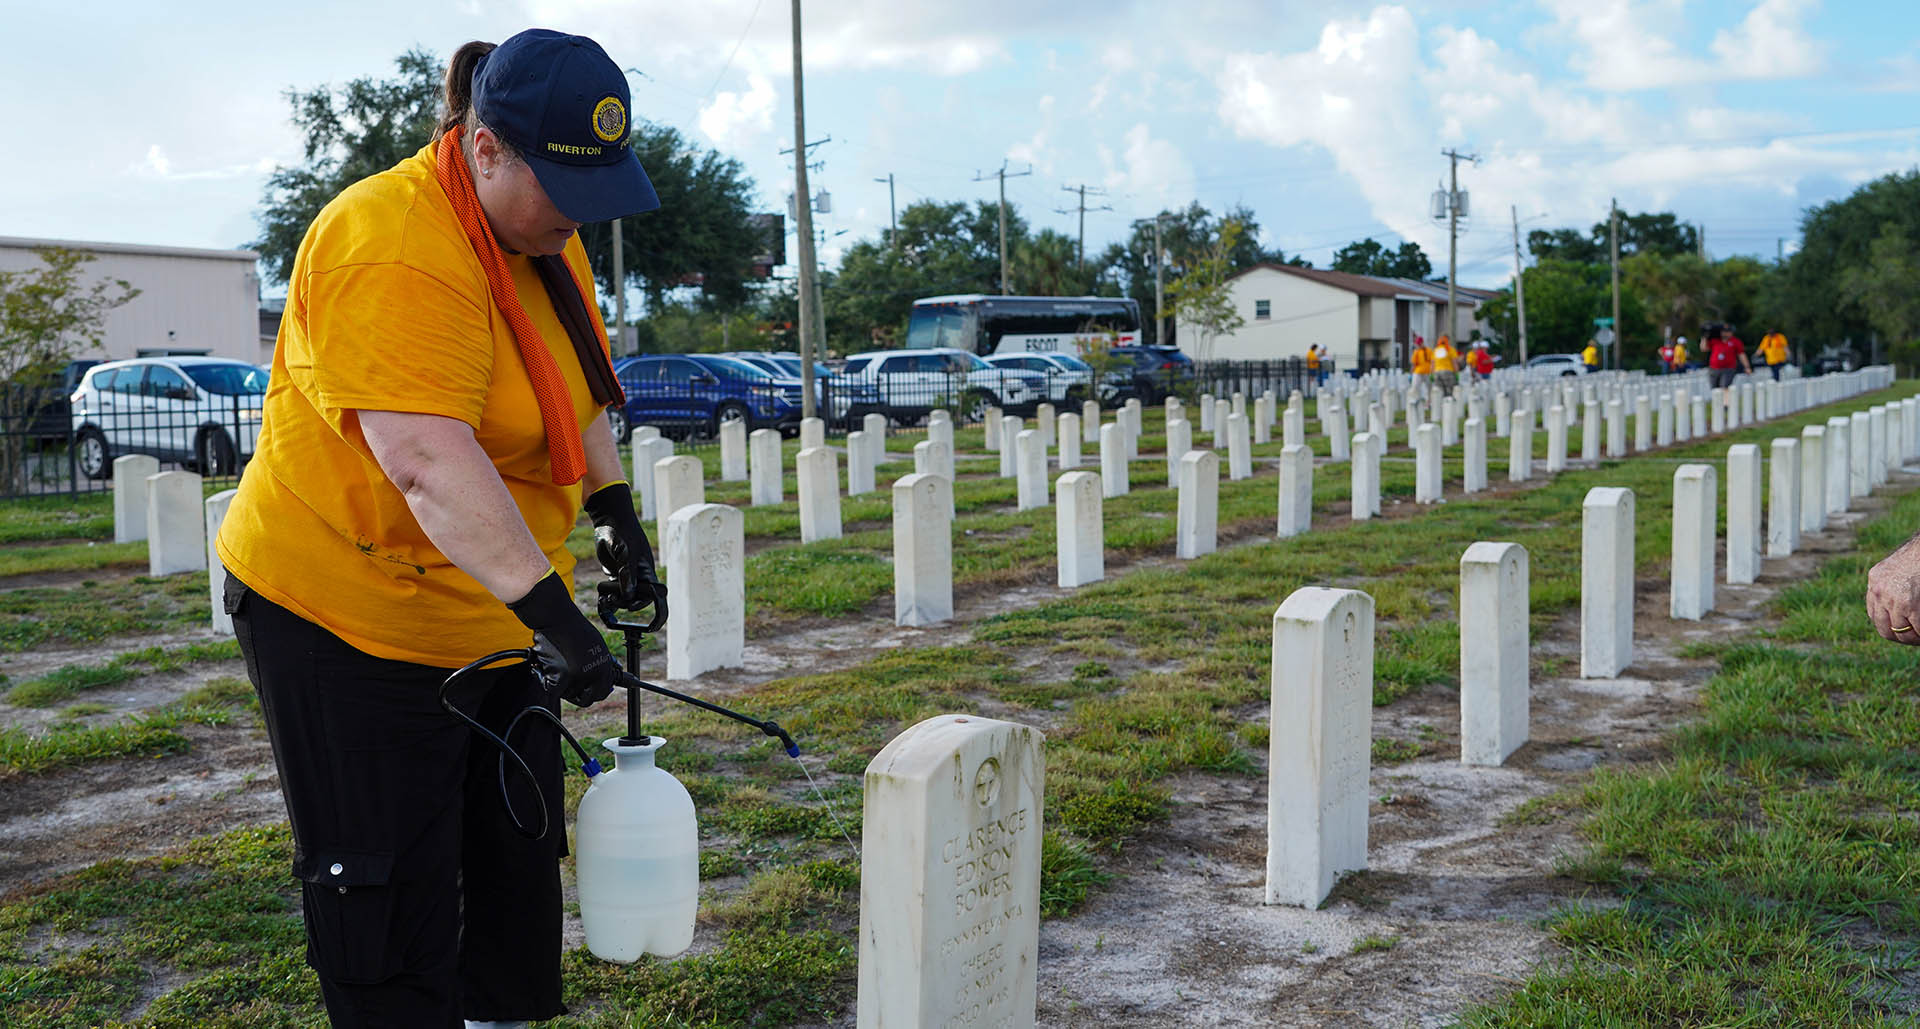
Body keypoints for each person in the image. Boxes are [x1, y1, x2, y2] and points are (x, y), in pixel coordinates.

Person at [215, 29, 666, 1028]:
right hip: (347, 614)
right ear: (486, 146)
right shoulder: (388, 238)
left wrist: (612, 510)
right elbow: (427, 462)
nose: (579, 216)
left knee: (514, 873)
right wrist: (559, 619)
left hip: (490, 607)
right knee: (388, 893)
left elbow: (574, 384)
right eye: (562, 188)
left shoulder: (548, 229)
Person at [1704, 323, 1751, 390]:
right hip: (1714, 368)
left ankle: (1726, 400)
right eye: (1724, 331)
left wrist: (1747, 367)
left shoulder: (1735, 341)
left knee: (1725, 387)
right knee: (1715, 389)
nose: (1725, 333)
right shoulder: (1715, 340)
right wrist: (1704, 337)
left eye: (1728, 331)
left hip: (1728, 369)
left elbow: (1741, 354)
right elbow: (1704, 348)